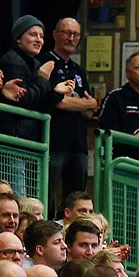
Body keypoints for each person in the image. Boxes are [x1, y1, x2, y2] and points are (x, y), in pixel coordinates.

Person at [41, 17, 101, 210]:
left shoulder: (78, 70)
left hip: (78, 144)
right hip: (54, 142)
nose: (71, 38)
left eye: (75, 34)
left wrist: (86, 105)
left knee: (75, 199)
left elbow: (90, 111)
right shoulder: (45, 62)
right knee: (48, 194)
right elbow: (60, 102)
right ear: (55, 34)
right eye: (66, 33)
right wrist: (85, 103)